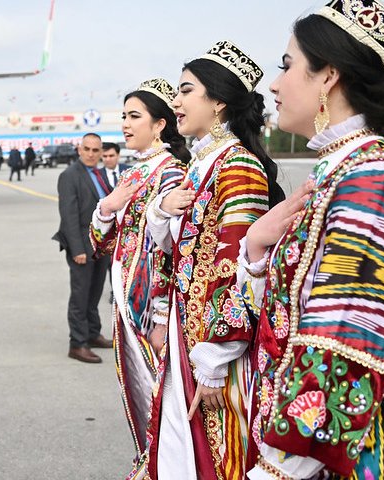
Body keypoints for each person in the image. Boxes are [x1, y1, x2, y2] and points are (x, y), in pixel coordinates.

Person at [238, 4, 384, 478]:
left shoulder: (374, 176)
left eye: (287, 64)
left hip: (345, 447)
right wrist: (257, 246)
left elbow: (345, 340)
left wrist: (279, 468)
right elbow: (290, 313)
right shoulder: (341, 168)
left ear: (329, 76)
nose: (274, 84)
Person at [146, 41, 284, 479]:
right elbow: (178, 253)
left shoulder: (238, 167)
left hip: (217, 349)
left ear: (219, 102)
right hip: (190, 338)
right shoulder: (199, 166)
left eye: (186, 91)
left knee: (219, 457)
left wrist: (215, 357)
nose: (176, 102)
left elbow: (239, 268)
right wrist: (162, 210)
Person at [89, 78, 189, 478]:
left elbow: (176, 253)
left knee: (158, 402)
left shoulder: (171, 174)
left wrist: (163, 316)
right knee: (139, 399)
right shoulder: (135, 172)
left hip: (152, 312)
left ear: (160, 124)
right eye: (124, 117)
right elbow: (101, 243)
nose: (126, 125)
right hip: (129, 306)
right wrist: (110, 205)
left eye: (135, 116)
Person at [52, 133, 112, 363]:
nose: (90, 154)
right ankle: (77, 344)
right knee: (80, 296)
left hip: (100, 246)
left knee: (95, 293)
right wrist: (77, 250)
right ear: (79, 149)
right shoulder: (69, 176)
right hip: (81, 248)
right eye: (86, 149)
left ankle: (92, 333)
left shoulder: (99, 173)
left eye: (95, 150)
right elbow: (68, 215)